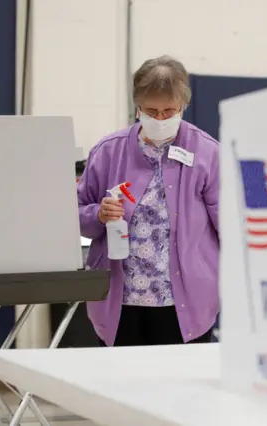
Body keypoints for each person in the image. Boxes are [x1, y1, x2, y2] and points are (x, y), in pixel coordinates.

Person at [77, 55, 219, 347]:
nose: (161, 119)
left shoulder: (207, 153)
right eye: (152, 111)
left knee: (182, 389)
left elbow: (232, 226)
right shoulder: (107, 152)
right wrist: (98, 215)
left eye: (170, 111)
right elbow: (75, 216)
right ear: (137, 107)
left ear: (184, 106)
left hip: (187, 304)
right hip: (121, 302)